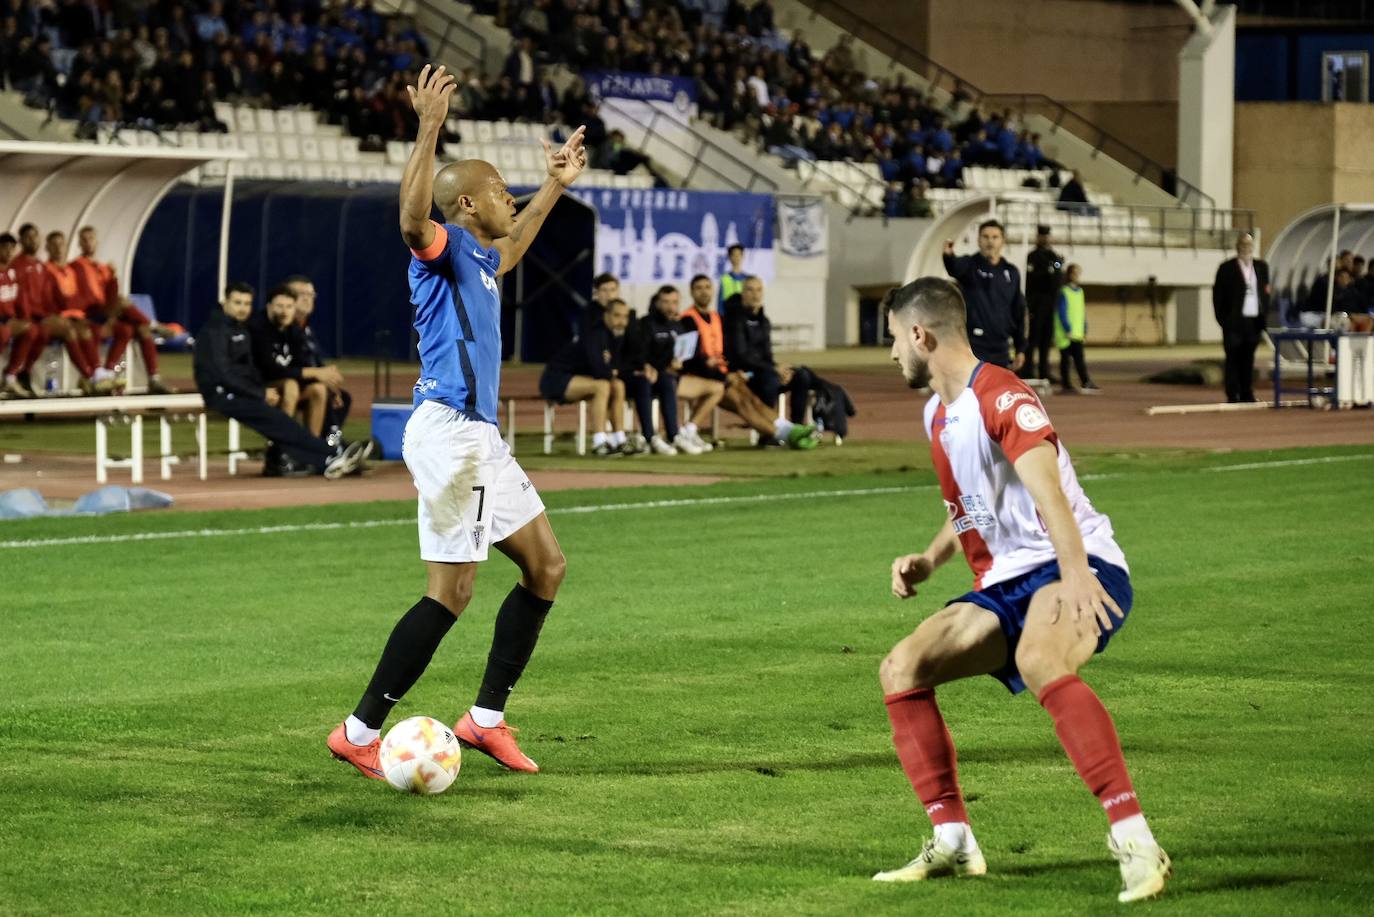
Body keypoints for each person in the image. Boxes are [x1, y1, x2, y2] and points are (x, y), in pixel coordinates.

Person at [327, 64, 587, 779]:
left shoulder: (478, 256)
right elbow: (414, 221)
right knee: (453, 590)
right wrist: (429, 127)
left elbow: (516, 243)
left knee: (546, 566)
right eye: (503, 190)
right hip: (448, 431)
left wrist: (556, 187)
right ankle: (358, 729)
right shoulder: (440, 250)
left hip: (480, 436)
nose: (514, 198)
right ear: (468, 203)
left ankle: (485, 720)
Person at [876, 276, 1170, 903]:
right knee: (902, 667)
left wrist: (1076, 576)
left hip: (1080, 561)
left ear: (920, 334)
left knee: (1041, 658)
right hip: (1007, 580)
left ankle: (1136, 841)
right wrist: (931, 559)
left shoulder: (1002, 395)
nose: (892, 352)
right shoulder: (937, 412)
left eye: (894, 338)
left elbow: (1050, 493)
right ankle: (952, 841)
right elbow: (969, 508)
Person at [193, 282, 368, 478]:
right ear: (225, 303)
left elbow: (249, 370)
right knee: (278, 420)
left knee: (296, 413)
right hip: (222, 395)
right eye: (237, 302)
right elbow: (223, 375)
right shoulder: (215, 331)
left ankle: (327, 452)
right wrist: (260, 393)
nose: (242, 308)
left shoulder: (241, 328)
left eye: (247, 303)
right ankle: (326, 456)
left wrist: (261, 390)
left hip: (241, 392)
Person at [680, 274, 818, 449]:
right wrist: (723, 373)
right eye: (699, 288)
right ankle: (784, 436)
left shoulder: (716, 318)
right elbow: (690, 358)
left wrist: (733, 371)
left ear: (713, 290)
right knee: (743, 403)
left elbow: (726, 352)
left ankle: (791, 430)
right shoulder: (687, 319)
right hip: (703, 377)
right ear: (692, 292)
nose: (704, 292)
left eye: (707, 287)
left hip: (722, 375)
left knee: (753, 400)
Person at [249, 284, 350, 473]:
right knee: (291, 385)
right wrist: (314, 373)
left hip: (287, 384)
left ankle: (309, 452)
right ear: (269, 306)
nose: (284, 311)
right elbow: (270, 369)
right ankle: (282, 450)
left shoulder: (292, 328)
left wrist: (326, 383)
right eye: (279, 306)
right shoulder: (258, 327)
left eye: (288, 307)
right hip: (263, 387)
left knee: (318, 389)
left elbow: (301, 361)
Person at [70, 225, 174, 394]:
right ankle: (155, 324)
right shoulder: (75, 266)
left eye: (91, 239)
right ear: (79, 243)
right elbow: (82, 297)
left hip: (104, 313)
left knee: (134, 328)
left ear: (97, 242)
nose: (88, 243)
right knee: (121, 301)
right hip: (91, 314)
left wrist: (113, 277)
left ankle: (152, 378)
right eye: (85, 239)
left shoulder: (103, 268)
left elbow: (110, 294)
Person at [625, 284, 722, 455]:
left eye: (674, 302)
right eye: (666, 302)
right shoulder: (646, 324)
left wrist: (688, 364)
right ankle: (653, 436)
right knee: (661, 381)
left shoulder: (679, 326)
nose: (670, 306)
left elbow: (688, 357)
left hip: (674, 377)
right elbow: (639, 353)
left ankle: (683, 433)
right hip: (652, 377)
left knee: (716, 387)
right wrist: (653, 366)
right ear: (658, 302)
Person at [539, 296, 630, 456]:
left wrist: (611, 370)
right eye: (617, 315)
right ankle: (599, 442)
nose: (621, 321)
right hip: (556, 378)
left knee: (618, 385)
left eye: (625, 316)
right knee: (602, 385)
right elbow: (599, 370)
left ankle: (619, 439)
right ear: (606, 315)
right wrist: (610, 370)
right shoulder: (596, 333)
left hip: (578, 378)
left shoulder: (615, 336)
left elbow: (616, 367)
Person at [724, 276, 816, 422]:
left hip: (765, 371)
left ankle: (796, 427)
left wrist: (781, 371)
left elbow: (767, 355)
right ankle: (768, 432)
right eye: (750, 290)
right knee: (770, 380)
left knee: (801, 375)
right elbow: (742, 356)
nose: (755, 294)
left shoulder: (764, 321)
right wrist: (773, 369)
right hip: (745, 374)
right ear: (743, 293)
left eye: (759, 290)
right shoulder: (735, 319)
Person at [942, 221, 1027, 370]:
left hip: (1001, 346)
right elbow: (954, 267)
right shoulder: (969, 266)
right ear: (979, 240)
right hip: (974, 346)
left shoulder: (1011, 272)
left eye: (995, 237)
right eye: (986, 237)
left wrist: (1020, 348)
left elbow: (1018, 311)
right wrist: (948, 256)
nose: (990, 241)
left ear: (1003, 241)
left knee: (997, 391)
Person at [283, 273, 352, 442]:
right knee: (321, 390)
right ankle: (327, 444)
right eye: (302, 294)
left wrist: (330, 380)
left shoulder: (306, 328)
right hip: (290, 383)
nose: (308, 299)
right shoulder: (284, 327)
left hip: (307, 381)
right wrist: (321, 378)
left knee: (341, 396)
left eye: (311, 295)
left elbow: (315, 359)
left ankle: (329, 441)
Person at [1212, 233, 1270, 404]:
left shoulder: (1261, 267)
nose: (1246, 247)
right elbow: (1218, 296)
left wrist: (1264, 316)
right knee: (1232, 359)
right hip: (1234, 322)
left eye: (1249, 244)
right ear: (1237, 246)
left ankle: (1247, 392)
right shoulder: (1226, 268)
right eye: (1243, 244)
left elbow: (1266, 293)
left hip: (1253, 321)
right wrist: (1224, 320)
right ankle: (1232, 394)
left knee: (1248, 359)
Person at [0, 232, 39, 399]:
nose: (8, 252)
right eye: (4, 248)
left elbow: (18, 302)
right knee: (4, 333)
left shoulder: (12, 273)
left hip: (7, 321)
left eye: (11, 248)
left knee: (32, 330)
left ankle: (11, 375)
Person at [1023, 225, 1063, 382]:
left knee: (1046, 339)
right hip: (1035, 303)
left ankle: (1044, 371)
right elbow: (1033, 279)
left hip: (1049, 303)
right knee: (1033, 338)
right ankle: (1027, 369)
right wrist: (1049, 271)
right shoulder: (1032, 256)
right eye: (1042, 236)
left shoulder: (1053, 256)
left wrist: (1053, 269)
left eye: (1047, 236)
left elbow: (1057, 277)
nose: (1045, 239)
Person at [1055, 264, 1097, 393]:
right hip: (1066, 333)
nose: (1077, 276)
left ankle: (1085, 381)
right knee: (1065, 360)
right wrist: (1067, 328)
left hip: (1077, 333)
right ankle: (1066, 384)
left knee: (1079, 359)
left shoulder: (1080, 292)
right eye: (1075, 273)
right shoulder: (1064, 292)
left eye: (1079, 273)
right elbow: (1062, 312)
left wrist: (1084, 328)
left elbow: (1081, 312)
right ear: (1069, 275)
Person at [718, 243, 748, 308]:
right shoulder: (724, 278)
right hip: (728, 315)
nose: (736, 257)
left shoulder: (748, 279)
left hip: (744, 315)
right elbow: (720, 302)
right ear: (729, 257)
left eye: (739, 254)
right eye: (734, 255)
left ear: (743, 256)